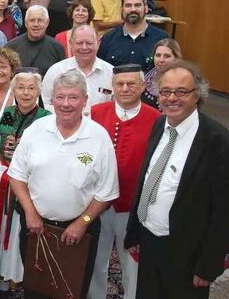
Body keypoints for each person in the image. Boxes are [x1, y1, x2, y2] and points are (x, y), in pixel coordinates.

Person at [8, 69, 119, 298]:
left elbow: (107, 193)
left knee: (71, 290)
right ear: (51, 99)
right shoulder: (36, 130)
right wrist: (30, 213)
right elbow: (17, 175)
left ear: (85, 100)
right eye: (60, 97)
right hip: (35, 229)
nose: (66, 104)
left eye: (73, 97)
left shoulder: (99, 137)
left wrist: (82, 222)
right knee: (35, 289)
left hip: (78, 232)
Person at [125, 60, 229, 299]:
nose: (172, 98)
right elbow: (146, 181)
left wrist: (208, 265)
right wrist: (136, 234)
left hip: (187, 253)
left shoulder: (217, 141)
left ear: (198, 95)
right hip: (150, 244)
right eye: (166, 91)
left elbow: (223, 211)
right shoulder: (160, 124)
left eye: (181, 92)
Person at [87, 64, 160, 299]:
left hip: (133, 206)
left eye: (131, 84)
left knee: (132, 263)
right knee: (95, 258)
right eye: (120, 84)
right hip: (97, 202)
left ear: (143, 86)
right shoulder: (96, 113)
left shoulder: (156, 119)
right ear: (112, 86)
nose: (125, 88)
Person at [0, 68, 50, 291]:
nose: (25, 93)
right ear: (13, 90)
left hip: (29, 184)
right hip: (1, 177)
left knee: (16, 230)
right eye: (20, 87)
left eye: (31, 88)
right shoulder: (4, 115)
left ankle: (16, 276)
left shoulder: (47, 119)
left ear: (39, 91)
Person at [42, 24, 114, 115]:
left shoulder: (111, 73)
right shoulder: (56, 71)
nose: (84, 47)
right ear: (71, 44)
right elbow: (45, 103)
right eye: (79, 43)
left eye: (89, 43)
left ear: (98, 43)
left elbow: (117, 106)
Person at [97, 0, 169, 70]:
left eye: (137, 5)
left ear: (146, 8)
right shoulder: (108, 38)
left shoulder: (161, 38)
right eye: (128, 5)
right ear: (121, 9)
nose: (133, 9)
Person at [6, 5, 65, 77]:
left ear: (47, 23)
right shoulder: (10, 47)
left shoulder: (57, 48)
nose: (36, 24)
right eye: (32, 20)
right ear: (26, 23)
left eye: (40, 20)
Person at [142, 38, 182, 110]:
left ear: (176, 59)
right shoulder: (144, 79)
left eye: (167, 56)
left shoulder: (182, 83)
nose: (161, 60)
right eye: (158, 55)